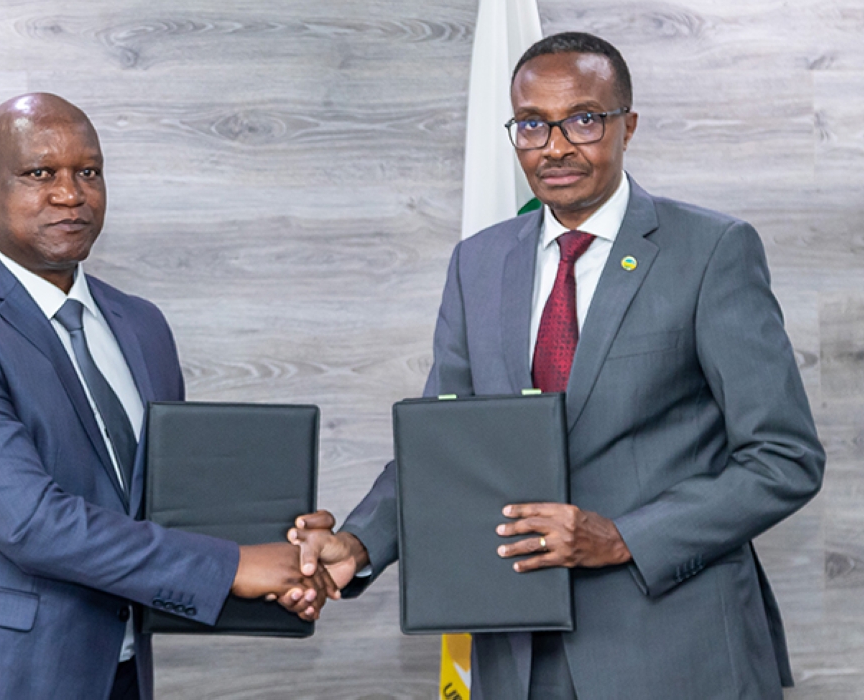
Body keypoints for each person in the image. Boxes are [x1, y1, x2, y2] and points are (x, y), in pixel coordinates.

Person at [291, 32, 824, 699]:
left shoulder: (710, 251)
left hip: (676, 655)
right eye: (531, 126)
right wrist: (360, 544)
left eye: (582, 119)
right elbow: (445, 446)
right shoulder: (479, 263)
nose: (555, 146)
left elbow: (783, 457)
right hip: (516, 654)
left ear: (626, 125)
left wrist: (623, 536)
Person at [0, 93, 331, 699]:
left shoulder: (141, 326)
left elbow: (168, 508)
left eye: (89, 172)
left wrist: (283, 546)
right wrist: (236, 565)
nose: (70, 193)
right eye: (40, 174)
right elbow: (30, 522)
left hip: (118, 675)